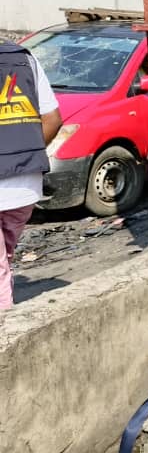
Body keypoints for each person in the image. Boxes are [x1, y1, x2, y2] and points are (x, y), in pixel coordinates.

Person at [0, 41, 62, 309]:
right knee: (4, 261)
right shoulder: (24, 58)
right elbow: (53, 119)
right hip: (25, 188)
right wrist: (25, 159)